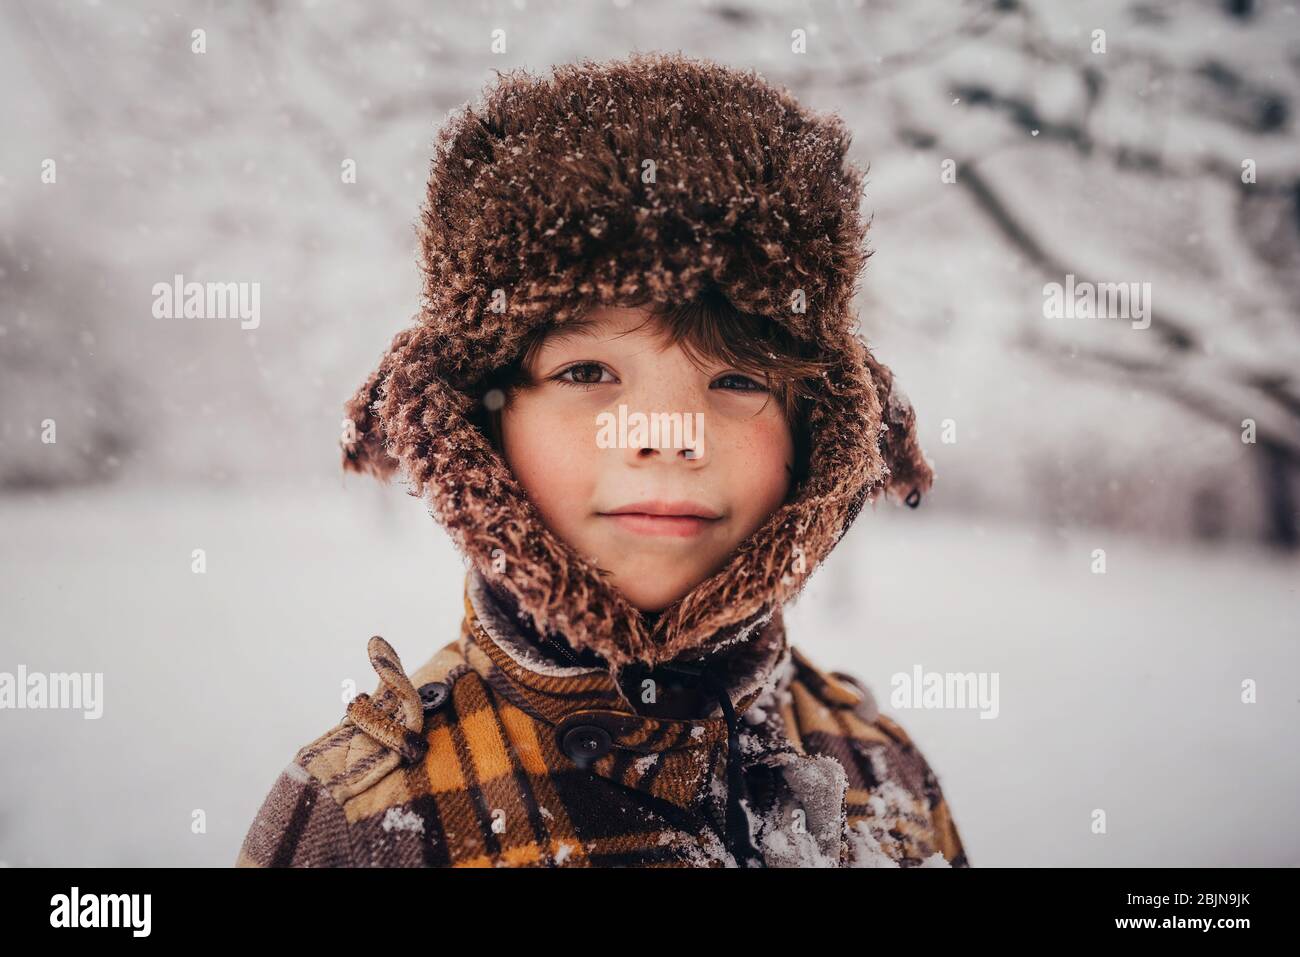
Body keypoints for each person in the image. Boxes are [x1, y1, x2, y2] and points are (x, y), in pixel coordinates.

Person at [236, 51, 967, 868]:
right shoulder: (362, 821)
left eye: (735, 378)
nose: (667, 436)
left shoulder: (884, 776)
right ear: (480, 426)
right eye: (586, 372)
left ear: (815, 438)